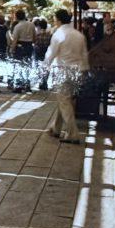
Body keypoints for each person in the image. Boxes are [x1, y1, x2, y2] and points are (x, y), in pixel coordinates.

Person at [43, 9, 90, 143]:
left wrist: (44, 68)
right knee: (66, 101)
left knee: (64, 102)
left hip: (63, 71)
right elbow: (84, 55)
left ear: (58, 19)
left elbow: (50, 54)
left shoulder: (59, 34)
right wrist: (85, 72)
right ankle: (56, 129)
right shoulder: (79, 35)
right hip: (77, 71)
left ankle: (72, 134)